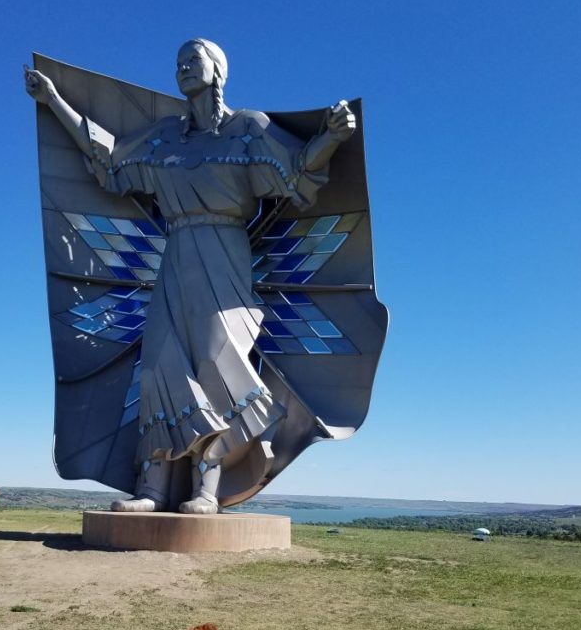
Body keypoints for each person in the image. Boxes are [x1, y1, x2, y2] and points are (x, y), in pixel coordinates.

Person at [26, 39, 355, 515]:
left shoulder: (248, 130)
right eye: (177, 61)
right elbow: (111, 159)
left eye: (192, 60)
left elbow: (298, 171)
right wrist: (54, 100)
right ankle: (154, 488)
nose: (182, 68)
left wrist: (333, 137)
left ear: (218, 70)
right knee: (162, 365)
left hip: (226, 253)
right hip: (176, 253)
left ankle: (207, 488)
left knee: (216, 362)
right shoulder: (164, 139)